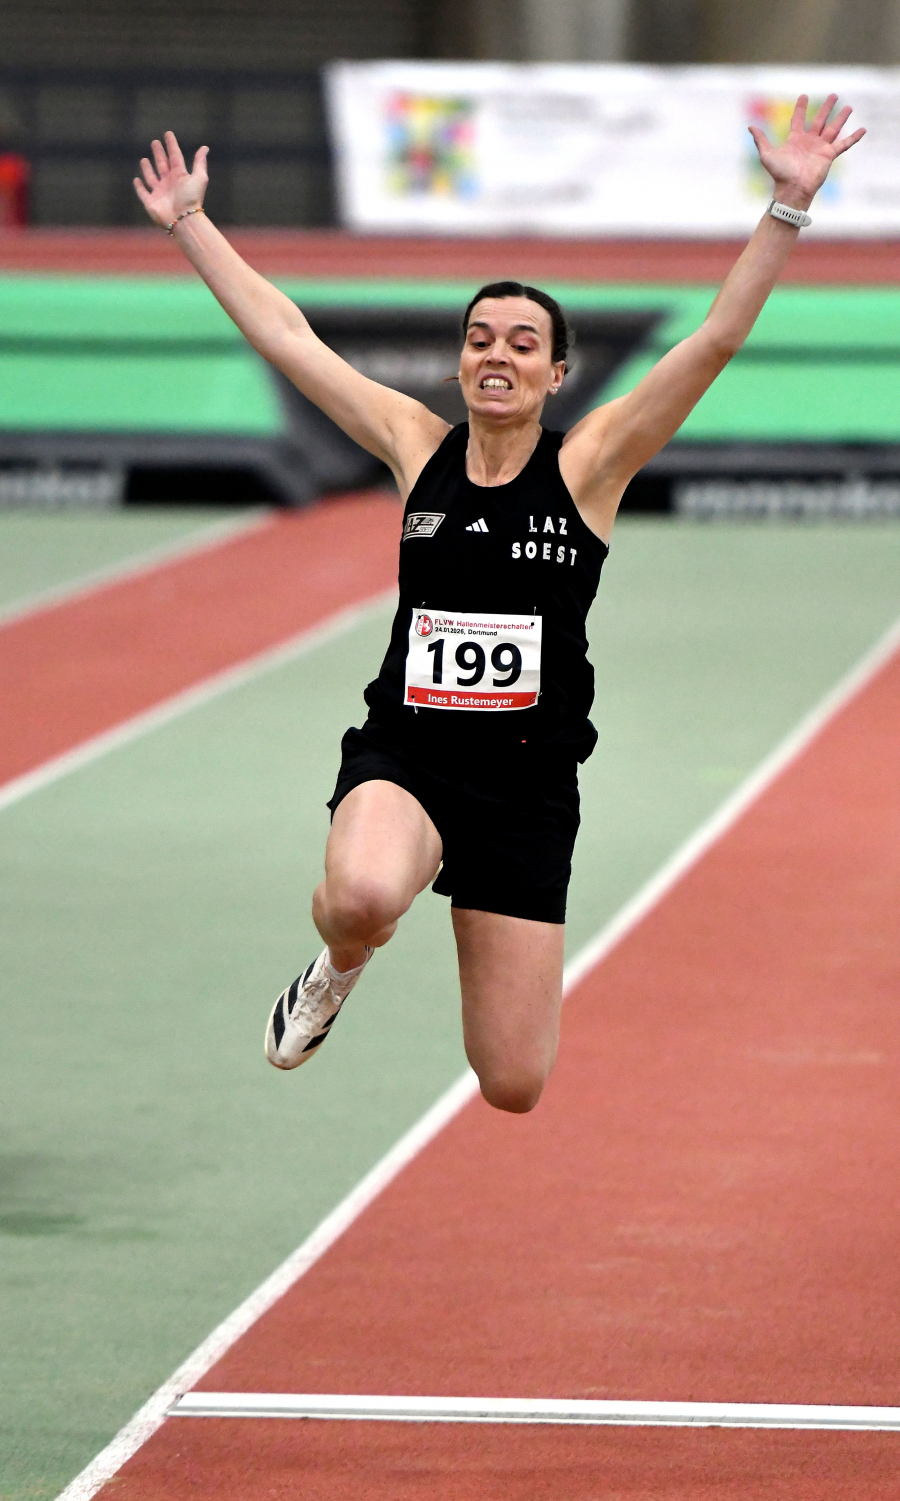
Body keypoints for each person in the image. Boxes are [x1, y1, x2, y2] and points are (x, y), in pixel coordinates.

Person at [135, 94, 863, 1115]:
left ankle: (432, 913)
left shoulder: (592, 467)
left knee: (513, 1081)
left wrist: (787, 205)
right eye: (481, 338)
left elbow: (710, 345)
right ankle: (338, 963)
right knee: (363, 895)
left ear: (557, 374)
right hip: (412, 755)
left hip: (525, 787)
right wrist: (191, 226)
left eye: (523, 343)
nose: (497, 355)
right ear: (459, 361)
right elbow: (292, 341)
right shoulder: (415, 445)